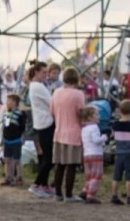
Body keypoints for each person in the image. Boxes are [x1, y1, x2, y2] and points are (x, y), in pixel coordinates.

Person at [51, 68, 85, 202]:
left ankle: (58, 193)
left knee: (59, 165)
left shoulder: (56, 92)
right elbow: (81, 112)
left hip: (59, 132)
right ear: (76, 79)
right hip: (73, 133)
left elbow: (52, 111)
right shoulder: (78, 94)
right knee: (72, 165)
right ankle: (69, 194)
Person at [27, 61, 55, 197]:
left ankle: (43, 184)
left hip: (42, 123)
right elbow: (52, 102)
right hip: (46, 123)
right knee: (49, 158)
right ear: (36, 72)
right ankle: (37, 184)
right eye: (43, 72)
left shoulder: (37, 86)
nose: (46, 75)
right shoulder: (38, 86)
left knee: (46, 157)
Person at [78, 106, 107, 204]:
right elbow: (96, 140)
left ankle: (85, 191)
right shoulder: (94, 127)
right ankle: (91, 195)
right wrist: (103, 138)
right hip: (96, 154)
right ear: (90, 117)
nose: (99, 116)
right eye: (97, 114)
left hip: (86, 154)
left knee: (89, 176)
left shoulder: (84, 128)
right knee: (96, 176)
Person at [0, 94, 27, 186]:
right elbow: (4, 127)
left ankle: (20, 177)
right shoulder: (6, 113)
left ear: (15, 102)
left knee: (17, 160)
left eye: (9, 101)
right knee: (7, 159)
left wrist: (23, 137)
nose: (7, 103)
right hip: (7, 140)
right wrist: (2, 138)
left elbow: (23, 127)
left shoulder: (20, 114)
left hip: (16, 140)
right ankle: (8, 177)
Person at [110, 99, 130, 204]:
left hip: (119, 152)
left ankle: (114, 196)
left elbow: (112, 136)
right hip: (129, 153)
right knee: (129, 177)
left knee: (116, 176)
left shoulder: (115, 125)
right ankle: (129, 197)